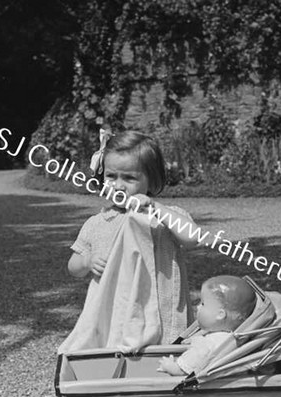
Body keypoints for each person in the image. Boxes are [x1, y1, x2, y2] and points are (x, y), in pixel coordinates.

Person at [58, 129, 200, 354]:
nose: (118, 185)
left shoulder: (165, 216)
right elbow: (73, 267)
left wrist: (155, 208)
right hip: (117, 312)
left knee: (164, 357)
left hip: (162, 309)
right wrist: (87, 261)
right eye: (111, 176)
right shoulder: (97, 223)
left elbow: (192, 238)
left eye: (130, 178)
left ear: (151, 181)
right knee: (117, 353)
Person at [157, 275, 257, 376]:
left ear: (220, 315)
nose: (198, 306)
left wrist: (168, 365)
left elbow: (181, 370)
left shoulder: (207, 344)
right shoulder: (236, 339)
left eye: (203, 304)